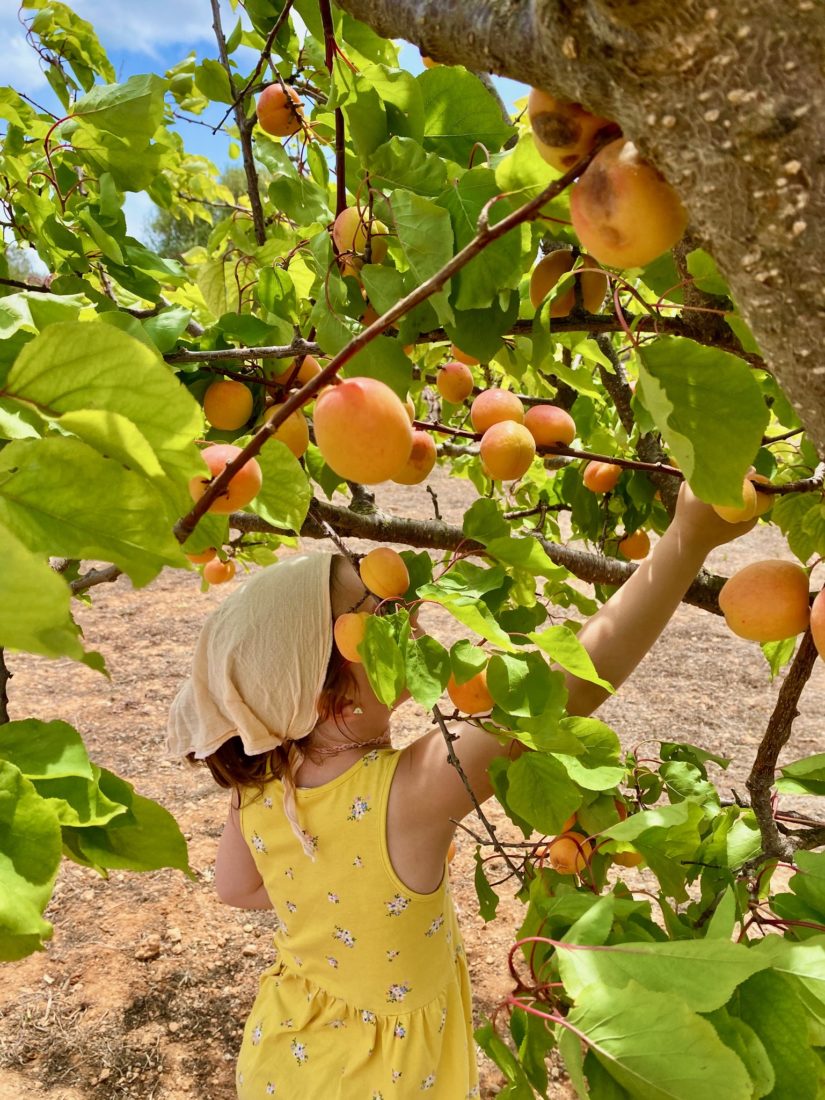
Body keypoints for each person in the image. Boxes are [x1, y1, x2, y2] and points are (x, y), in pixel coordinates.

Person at [167, 483, 752, 1099]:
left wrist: (340, 891)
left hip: (290, 1049)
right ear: (333, 699)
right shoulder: (411, 795)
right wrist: (687, 540)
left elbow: (236, 887)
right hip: (387, 1078)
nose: (406, 605)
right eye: (379, 613)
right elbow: (568, 686)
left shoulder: (261, 781)